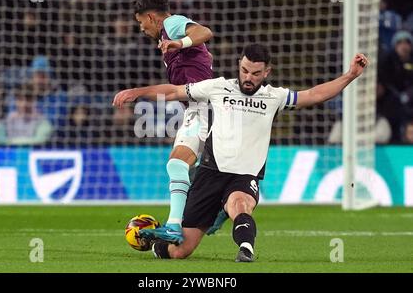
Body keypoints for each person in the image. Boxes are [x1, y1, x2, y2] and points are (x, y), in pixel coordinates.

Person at [113, 44, 369, 262]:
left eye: (256, 73)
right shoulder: (218, 87)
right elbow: (173, 90)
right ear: (239, 65)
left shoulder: (275, 97)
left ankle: (245, 249)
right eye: (245, 70)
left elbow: (314, 95)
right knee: (181, 251)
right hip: (210, 173)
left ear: (267, 72)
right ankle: (155, 240)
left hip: (244, 176)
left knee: (239, 204)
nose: (249, 77)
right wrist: (137, 93)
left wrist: (350, 75)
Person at [132, 0, 214, 243]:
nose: (142, 29)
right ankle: (211, 209)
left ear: (150, 17)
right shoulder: (167, 37)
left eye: (140, 22)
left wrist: (181, 43)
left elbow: (204, 32)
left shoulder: (172, 23)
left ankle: (176, 225)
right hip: (199, 106)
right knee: (182, 165)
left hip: (206, 105)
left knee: (178, 164)